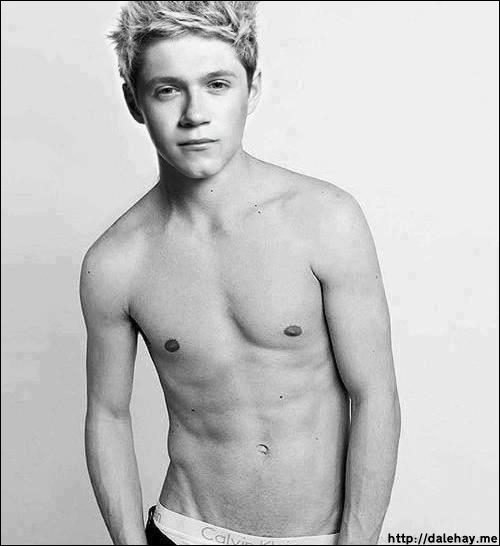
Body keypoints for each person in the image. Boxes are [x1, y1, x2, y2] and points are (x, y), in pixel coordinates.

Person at [79, 2, 401, 544]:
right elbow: (107, 415)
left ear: (252, 91)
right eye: (167, 89)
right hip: (186, 529)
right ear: (135, 101)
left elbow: (376, 395)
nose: (194, 114)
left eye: (217, 85)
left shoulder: (325, 220)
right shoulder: (115, 262)